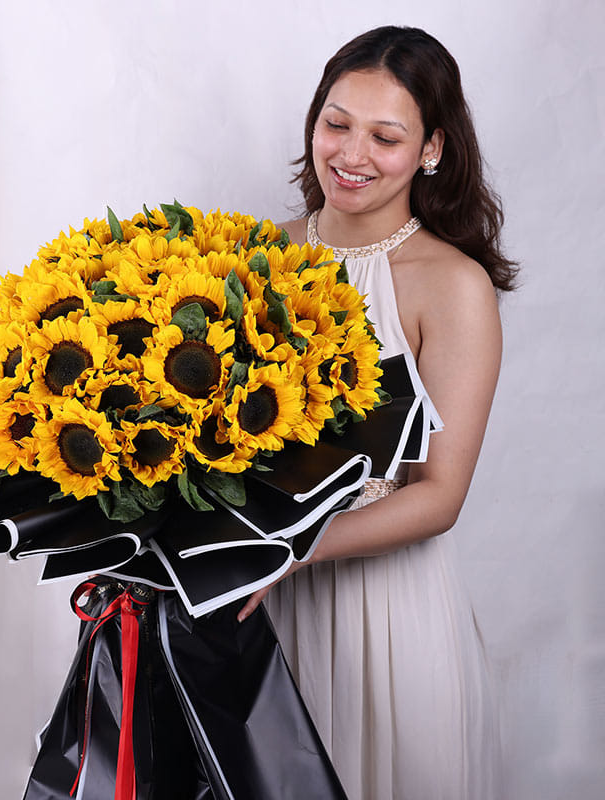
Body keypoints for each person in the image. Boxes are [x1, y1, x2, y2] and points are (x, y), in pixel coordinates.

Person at [238, 26, 517, 800]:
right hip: (253, 608)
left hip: (383, 616)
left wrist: (284, 552)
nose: (352, 155)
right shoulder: (253, 257)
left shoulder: (451, 284)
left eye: (385, 137)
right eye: (337, 123)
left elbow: (439, 494)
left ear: (430, 149)